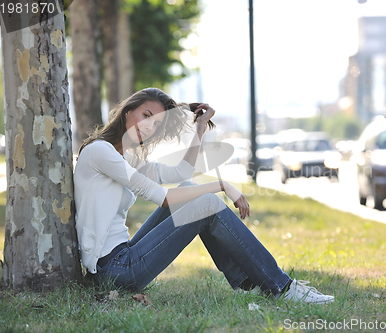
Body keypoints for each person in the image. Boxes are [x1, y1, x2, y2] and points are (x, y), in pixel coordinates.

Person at [74, 87, 334, 304]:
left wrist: (199, 129)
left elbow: (181, 172)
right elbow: (163, 198)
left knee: (187, 187)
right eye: (146, 115)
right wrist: (220, 185)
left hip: (123, 256)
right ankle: (282, 287)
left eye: (156, 124)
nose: (148, 127)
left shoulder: (125, 156)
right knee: (207, 203)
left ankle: (247, 284)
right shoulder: (101, 152)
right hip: (116, 269)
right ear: (128, 111)